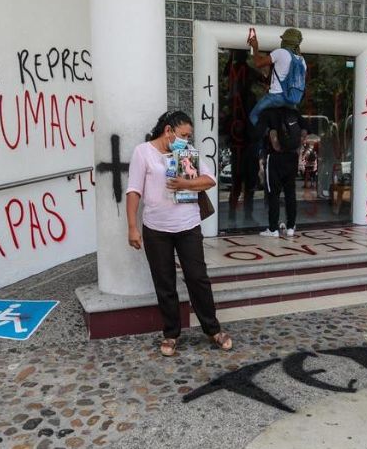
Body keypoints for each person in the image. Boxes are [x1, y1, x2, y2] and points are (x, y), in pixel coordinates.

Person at [126, 111, 233, 357]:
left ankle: (213, 329)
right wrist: (132, 227)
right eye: (183, 135)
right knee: (164, 282)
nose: (186, 139)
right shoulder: (143, 152)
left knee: (198, 278)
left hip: (188, 226)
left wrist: (185, 184)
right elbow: (133, 190)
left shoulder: (186, 154)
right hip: (156, 229)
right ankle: (171, 333)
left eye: (189, 136)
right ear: (168, 131)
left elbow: (209, 180)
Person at [221, 50, 266, 221]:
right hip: (242, 144)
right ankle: (241, 215)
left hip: (245, 144)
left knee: (242, 183)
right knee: (242, 183)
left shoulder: (241, 100)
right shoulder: (241, 101)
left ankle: (241, 215)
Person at [258, 107, 308, 238]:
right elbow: (304, 131)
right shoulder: (294, 112)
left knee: (273, 194)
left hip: (275, 157)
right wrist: (296, 147)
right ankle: (291, 227)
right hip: (292, 157)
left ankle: (273, 228)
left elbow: (265, 134)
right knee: (290, 193)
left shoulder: (269, 112)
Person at [247, 27, 307, 128]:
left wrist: (255, 47)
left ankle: (269, 133)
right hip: (291, 100)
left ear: (286, 41)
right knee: (286, 122)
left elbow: (258, 63)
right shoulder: (302, 61)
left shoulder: (281, 52)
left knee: (254, 115)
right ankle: (280, 136)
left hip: (276, 97)